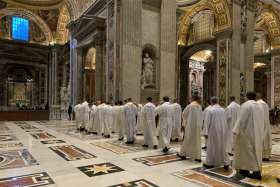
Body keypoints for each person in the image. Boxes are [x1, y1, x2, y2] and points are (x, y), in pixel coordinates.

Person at [233, 92, 265, 179]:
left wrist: (236, 130)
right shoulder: (259, 106)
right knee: (255, 152)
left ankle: (254, 172)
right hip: (257, 132)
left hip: (247, 133)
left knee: (247, 152)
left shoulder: (245, 105)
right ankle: (246, 169)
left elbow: (242, 119)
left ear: (246, 97)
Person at [203, 96, 230, 170]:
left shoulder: (210, 110)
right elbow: (225, 120)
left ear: (211, 102)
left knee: (212, 146)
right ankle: (226, 162)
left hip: (213, 130)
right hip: (222, 130)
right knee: (222, 146)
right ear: (217, 101)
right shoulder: (223, 110)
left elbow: (207, 122)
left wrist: (205, 132)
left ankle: (210, 163)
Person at [177, 94, 203, 162]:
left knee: (187, 139)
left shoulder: (190, 105)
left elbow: (184, 114)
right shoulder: (199, 106)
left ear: (192, 98)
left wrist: (184, 123)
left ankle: (183, 154)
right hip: (198, 126)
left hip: (190, 126)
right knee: (197, 141)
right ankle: (197, 157)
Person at [256, 93, 272, 161]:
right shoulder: (265, 104)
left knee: (261, 140)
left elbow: (258, 115)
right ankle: (266, 155)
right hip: (266, 124)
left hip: (260, 124)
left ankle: (262, 155)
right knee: (266, 140)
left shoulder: (258, 104)